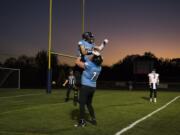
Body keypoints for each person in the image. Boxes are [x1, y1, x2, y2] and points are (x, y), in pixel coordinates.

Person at [74, 52, 103, 127]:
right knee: (89, 104)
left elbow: (77, 62)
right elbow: (91, 59)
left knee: (82, 104)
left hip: (85, 87)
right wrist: (94, 54)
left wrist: (79, 56)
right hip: (92, 87)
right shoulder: (99, 67)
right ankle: (93, 119)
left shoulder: (90, 65)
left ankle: (82, 122)